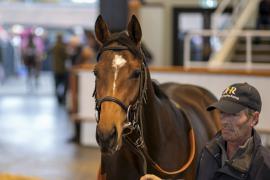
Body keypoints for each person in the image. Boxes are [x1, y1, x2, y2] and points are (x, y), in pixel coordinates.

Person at [141, 82, 270, 180]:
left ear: (254, 119)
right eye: (222, 113)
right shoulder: (210, 150)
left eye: (234, 114)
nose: (224, 121)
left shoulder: (263, 165)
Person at [52, 33, 68, 104]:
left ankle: (59, 99)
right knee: (64, 85)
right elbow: (67, 56)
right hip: (62, 69)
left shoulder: (54, 46)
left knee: (57, 85)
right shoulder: (62, 47)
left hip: (56, 69)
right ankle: (62, 99)